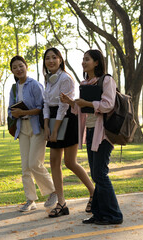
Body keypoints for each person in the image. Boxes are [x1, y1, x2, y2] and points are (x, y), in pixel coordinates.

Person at [60, 49, 123, 225]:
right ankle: (99, 214)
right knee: (96, 175)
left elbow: (108, 105)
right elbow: (84, 110)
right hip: (90, 131)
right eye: (83, 59)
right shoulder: (85, 83)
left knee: (100, 174)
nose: (83, 62)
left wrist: (86, 103)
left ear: (96, 62)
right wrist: (72, 103)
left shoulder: (106, 80)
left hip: (104, 133)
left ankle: (114, 215)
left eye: (87, 59)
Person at [42, 47, 95, 218]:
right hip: (53, 119)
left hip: (66, 119)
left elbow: (63, 106)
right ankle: (61, 203)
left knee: (70, 162)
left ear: (60, 59)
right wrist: (46, 126)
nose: (51, 61)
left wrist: (56, 129)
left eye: (54, 57)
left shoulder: (66, 79)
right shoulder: (48, 79)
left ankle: (94, 193)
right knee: (54, 162)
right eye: (47, 58)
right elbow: (45, 104)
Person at [8, 55, 57, 212]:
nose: (18, 69)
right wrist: (14, 113)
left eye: (20, 66)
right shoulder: (14, 88)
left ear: (26, 66)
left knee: (34, 163)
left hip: (37, 128)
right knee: (25, 167)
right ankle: (30, 200)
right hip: (22, 129)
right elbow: (10, 109)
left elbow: (42, 108)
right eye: (15, 67)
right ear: (12, 71)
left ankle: (53, 192)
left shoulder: (35, 85)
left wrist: (24, 111)